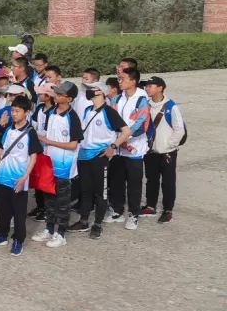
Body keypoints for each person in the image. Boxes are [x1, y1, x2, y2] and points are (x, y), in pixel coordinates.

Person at [0, 94, 42, 256]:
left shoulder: (30, 132)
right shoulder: (9, 130)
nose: (13, 114)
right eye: (12, 110)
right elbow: (1, 149)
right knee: (2, 209)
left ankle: (18, 239)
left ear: (26, 112)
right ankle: (2, 234)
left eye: (17, 111)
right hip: (4, 176)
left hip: (18, 178)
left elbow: (33, 157)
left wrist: (25, 177)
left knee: (18, 211)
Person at [72, 81, 126, 239]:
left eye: (92, 89)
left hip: (99, 157)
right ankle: (83, 220)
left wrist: (113, 147)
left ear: (101, 92)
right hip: (84, 155)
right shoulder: (88, 110)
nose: (88, 92)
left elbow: (126, 131)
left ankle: (97, 224)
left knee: (100, 192)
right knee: (85, 190)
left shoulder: (109, 112)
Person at [31, 81, 83, 248]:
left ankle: (61, 234)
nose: (56, 95)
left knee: (62, 201)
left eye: (60, 94)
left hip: (64, 165)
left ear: (69, 98)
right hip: (49, 163)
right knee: (49, 199)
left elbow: (73, 144)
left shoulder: (72, 117)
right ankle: (49, 229)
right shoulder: (52, 111)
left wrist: (49, 141)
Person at [109, 67, 150, 230]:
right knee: (116, 180)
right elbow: (111, 120)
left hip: (134, 149)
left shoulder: (142, 99)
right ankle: (117, 210)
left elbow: (141, 125)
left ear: (133, 81)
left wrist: (123, 140)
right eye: (119, 79)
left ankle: (133, 214)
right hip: (119, 149)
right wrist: (118, 141)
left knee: (134, 184)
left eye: (123, 79)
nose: (120, 81)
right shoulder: (116, 99)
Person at [142, 76, 185, 224]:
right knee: (151, 179)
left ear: (160, 88)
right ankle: (150, 206)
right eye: (146, 86)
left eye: (150, 85)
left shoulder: (171, 106)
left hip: (167, 152)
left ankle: (168, 210)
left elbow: (179, 130)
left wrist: (169, 145)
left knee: (168, 181)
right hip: (150, 151)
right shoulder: (146, 105)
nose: (147, 88)